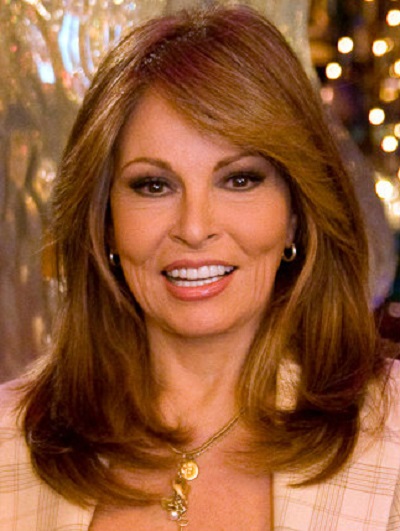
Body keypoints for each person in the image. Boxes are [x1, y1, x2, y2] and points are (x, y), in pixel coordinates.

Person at [0, 4, 399, 530]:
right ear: (106, 221)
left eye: (239, 180)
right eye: (153, 185)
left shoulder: (390, 435)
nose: (193, 228)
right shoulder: (10, 441)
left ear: (296, 214)